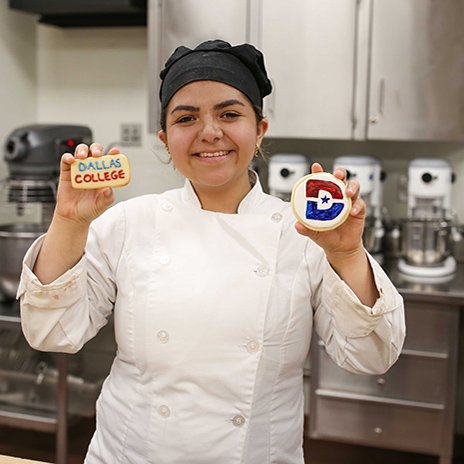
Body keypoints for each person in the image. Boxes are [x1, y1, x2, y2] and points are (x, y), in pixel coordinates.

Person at [17, 39, 405, 464]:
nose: (209, 132)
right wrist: (69, 223)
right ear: (166, 139)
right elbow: (53, 333)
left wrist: (347, 254)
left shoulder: (305, 234)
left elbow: (371, 357)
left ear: (259, 130)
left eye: (230, 114)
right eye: (187, 118)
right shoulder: (129, 223)